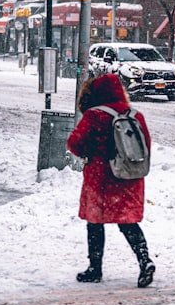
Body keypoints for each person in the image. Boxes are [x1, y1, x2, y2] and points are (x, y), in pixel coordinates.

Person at [66, 74, 155, 287]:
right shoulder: (135, 115)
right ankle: (145, 260)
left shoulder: (95, 115)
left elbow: (74, 143)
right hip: (129, 176)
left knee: (95, 222)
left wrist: (90, 153)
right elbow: (146, 145)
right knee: (128, 223)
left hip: (101, 178)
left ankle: (95, 268)